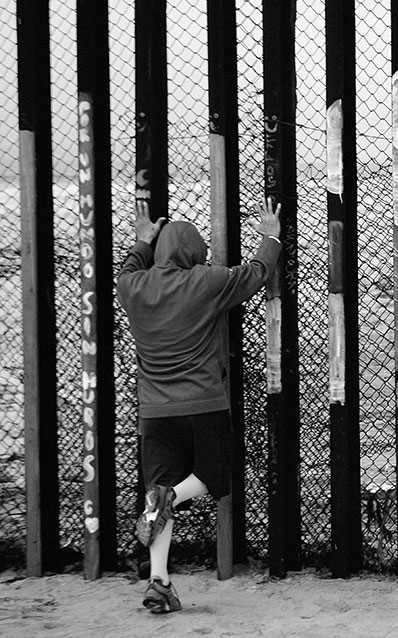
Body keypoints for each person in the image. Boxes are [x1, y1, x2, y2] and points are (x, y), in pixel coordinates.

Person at [116, 196, 282, 613]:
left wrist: (142, 242)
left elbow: (130, 267)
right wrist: (270, 237)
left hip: (154, 411)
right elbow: (256, 274)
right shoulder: (204, 282)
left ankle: (159, 582)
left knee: (157, 493)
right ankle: (171, 496)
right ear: (193, 253)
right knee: (212, 474)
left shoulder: (132, 288)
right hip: (203, 402)